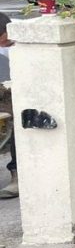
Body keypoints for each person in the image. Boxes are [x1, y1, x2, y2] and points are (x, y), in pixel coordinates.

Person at [0, 12, 16, 199]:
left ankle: (16, 174)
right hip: (4, 90)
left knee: (19, 127)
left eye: (3, 40)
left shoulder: (27, 37)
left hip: (24, 92)